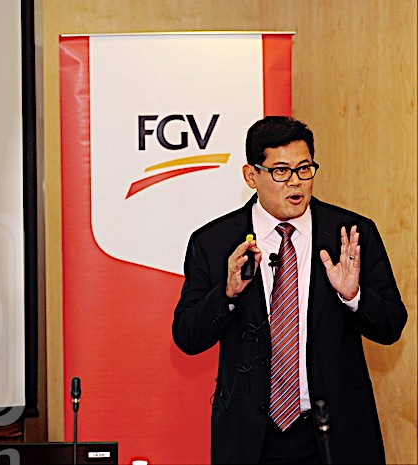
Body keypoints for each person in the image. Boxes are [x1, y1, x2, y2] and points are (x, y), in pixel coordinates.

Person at [172, 116, 407, 464]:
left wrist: (353, 296)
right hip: (250, 440)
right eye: (281, 171)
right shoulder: (214, 242)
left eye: (304, 169)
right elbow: (188, 336)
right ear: (251, 176)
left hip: (334, 434)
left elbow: (391, 326)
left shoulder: (350, 234)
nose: (295, 182)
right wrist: (227, 293)